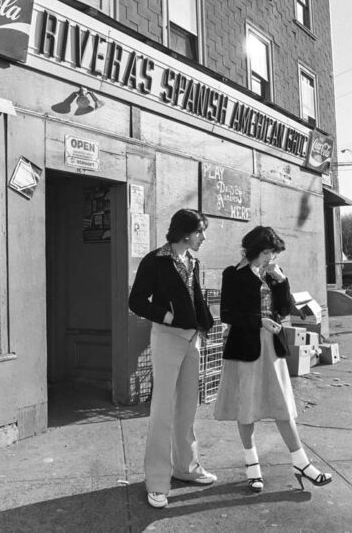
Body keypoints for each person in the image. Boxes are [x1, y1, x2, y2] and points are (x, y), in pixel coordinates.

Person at [214, 226, 332, 492]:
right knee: (246, 408)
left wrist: (282, 282)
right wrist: (259, 321)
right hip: (245, 347)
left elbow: (283, 309)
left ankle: (301, 463)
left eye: (273, 253)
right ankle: (252, 466)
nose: (270, 258)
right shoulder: (233, 274)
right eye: (267, 252)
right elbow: (227, 314)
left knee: (282, 406)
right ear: (254, 249)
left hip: (272, 349)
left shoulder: (271, 274)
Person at [129, 208, 217, 509]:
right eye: (200, 232)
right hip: (167, 339)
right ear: (184, 233)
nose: (203, 237)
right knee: (163, 411)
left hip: (191, 340)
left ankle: (186, 468)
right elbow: (136, 301)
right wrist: (167, 316)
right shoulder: (155, 261)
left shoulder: (191, 260)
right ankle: (156, 481)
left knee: (187, 409)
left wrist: (204, 326)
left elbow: (196, 298)